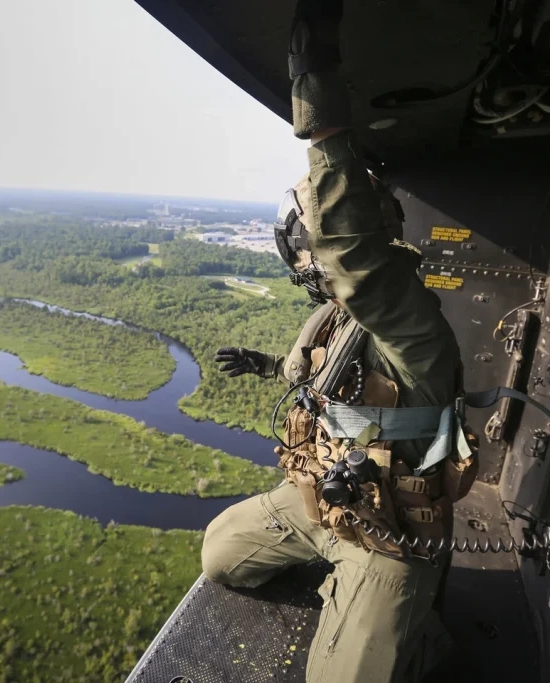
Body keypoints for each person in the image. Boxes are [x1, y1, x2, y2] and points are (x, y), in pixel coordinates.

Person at [201, 1, 476, 681]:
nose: (307, 257)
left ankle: (415, 634)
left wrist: (321, 115)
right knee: (221, 553)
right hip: (320, 500)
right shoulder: (334, 320)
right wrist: (268, 364)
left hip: (390, 532)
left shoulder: (409, 327)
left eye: (312, 245)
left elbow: (358, 261)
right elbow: (315, 378)